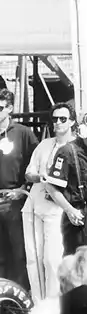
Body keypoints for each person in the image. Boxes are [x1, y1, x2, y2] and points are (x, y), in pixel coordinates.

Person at [22, 102, 76, 300]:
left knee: (52, 259)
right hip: (34, 204)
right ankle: (38, 304)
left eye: (63, 119)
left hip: (57, 208)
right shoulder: (44, 145)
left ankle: (54, 306)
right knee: (33, 258)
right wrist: (39, 177)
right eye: (55, 119)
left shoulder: (75, 148)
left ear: (71, 121)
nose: (58, 123)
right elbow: (29, 173)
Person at [45, 110, 87, 255]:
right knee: (78, 264)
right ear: (83, 130)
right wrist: (70, 211)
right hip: (79, 216)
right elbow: (50, 187)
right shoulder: (67, 152)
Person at [0, 88, 39, 289]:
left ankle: (21, 297)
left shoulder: (23, 134)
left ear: (10, 108)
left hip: (13, 202)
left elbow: (36, 165)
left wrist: (23, 189)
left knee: (18, 253)